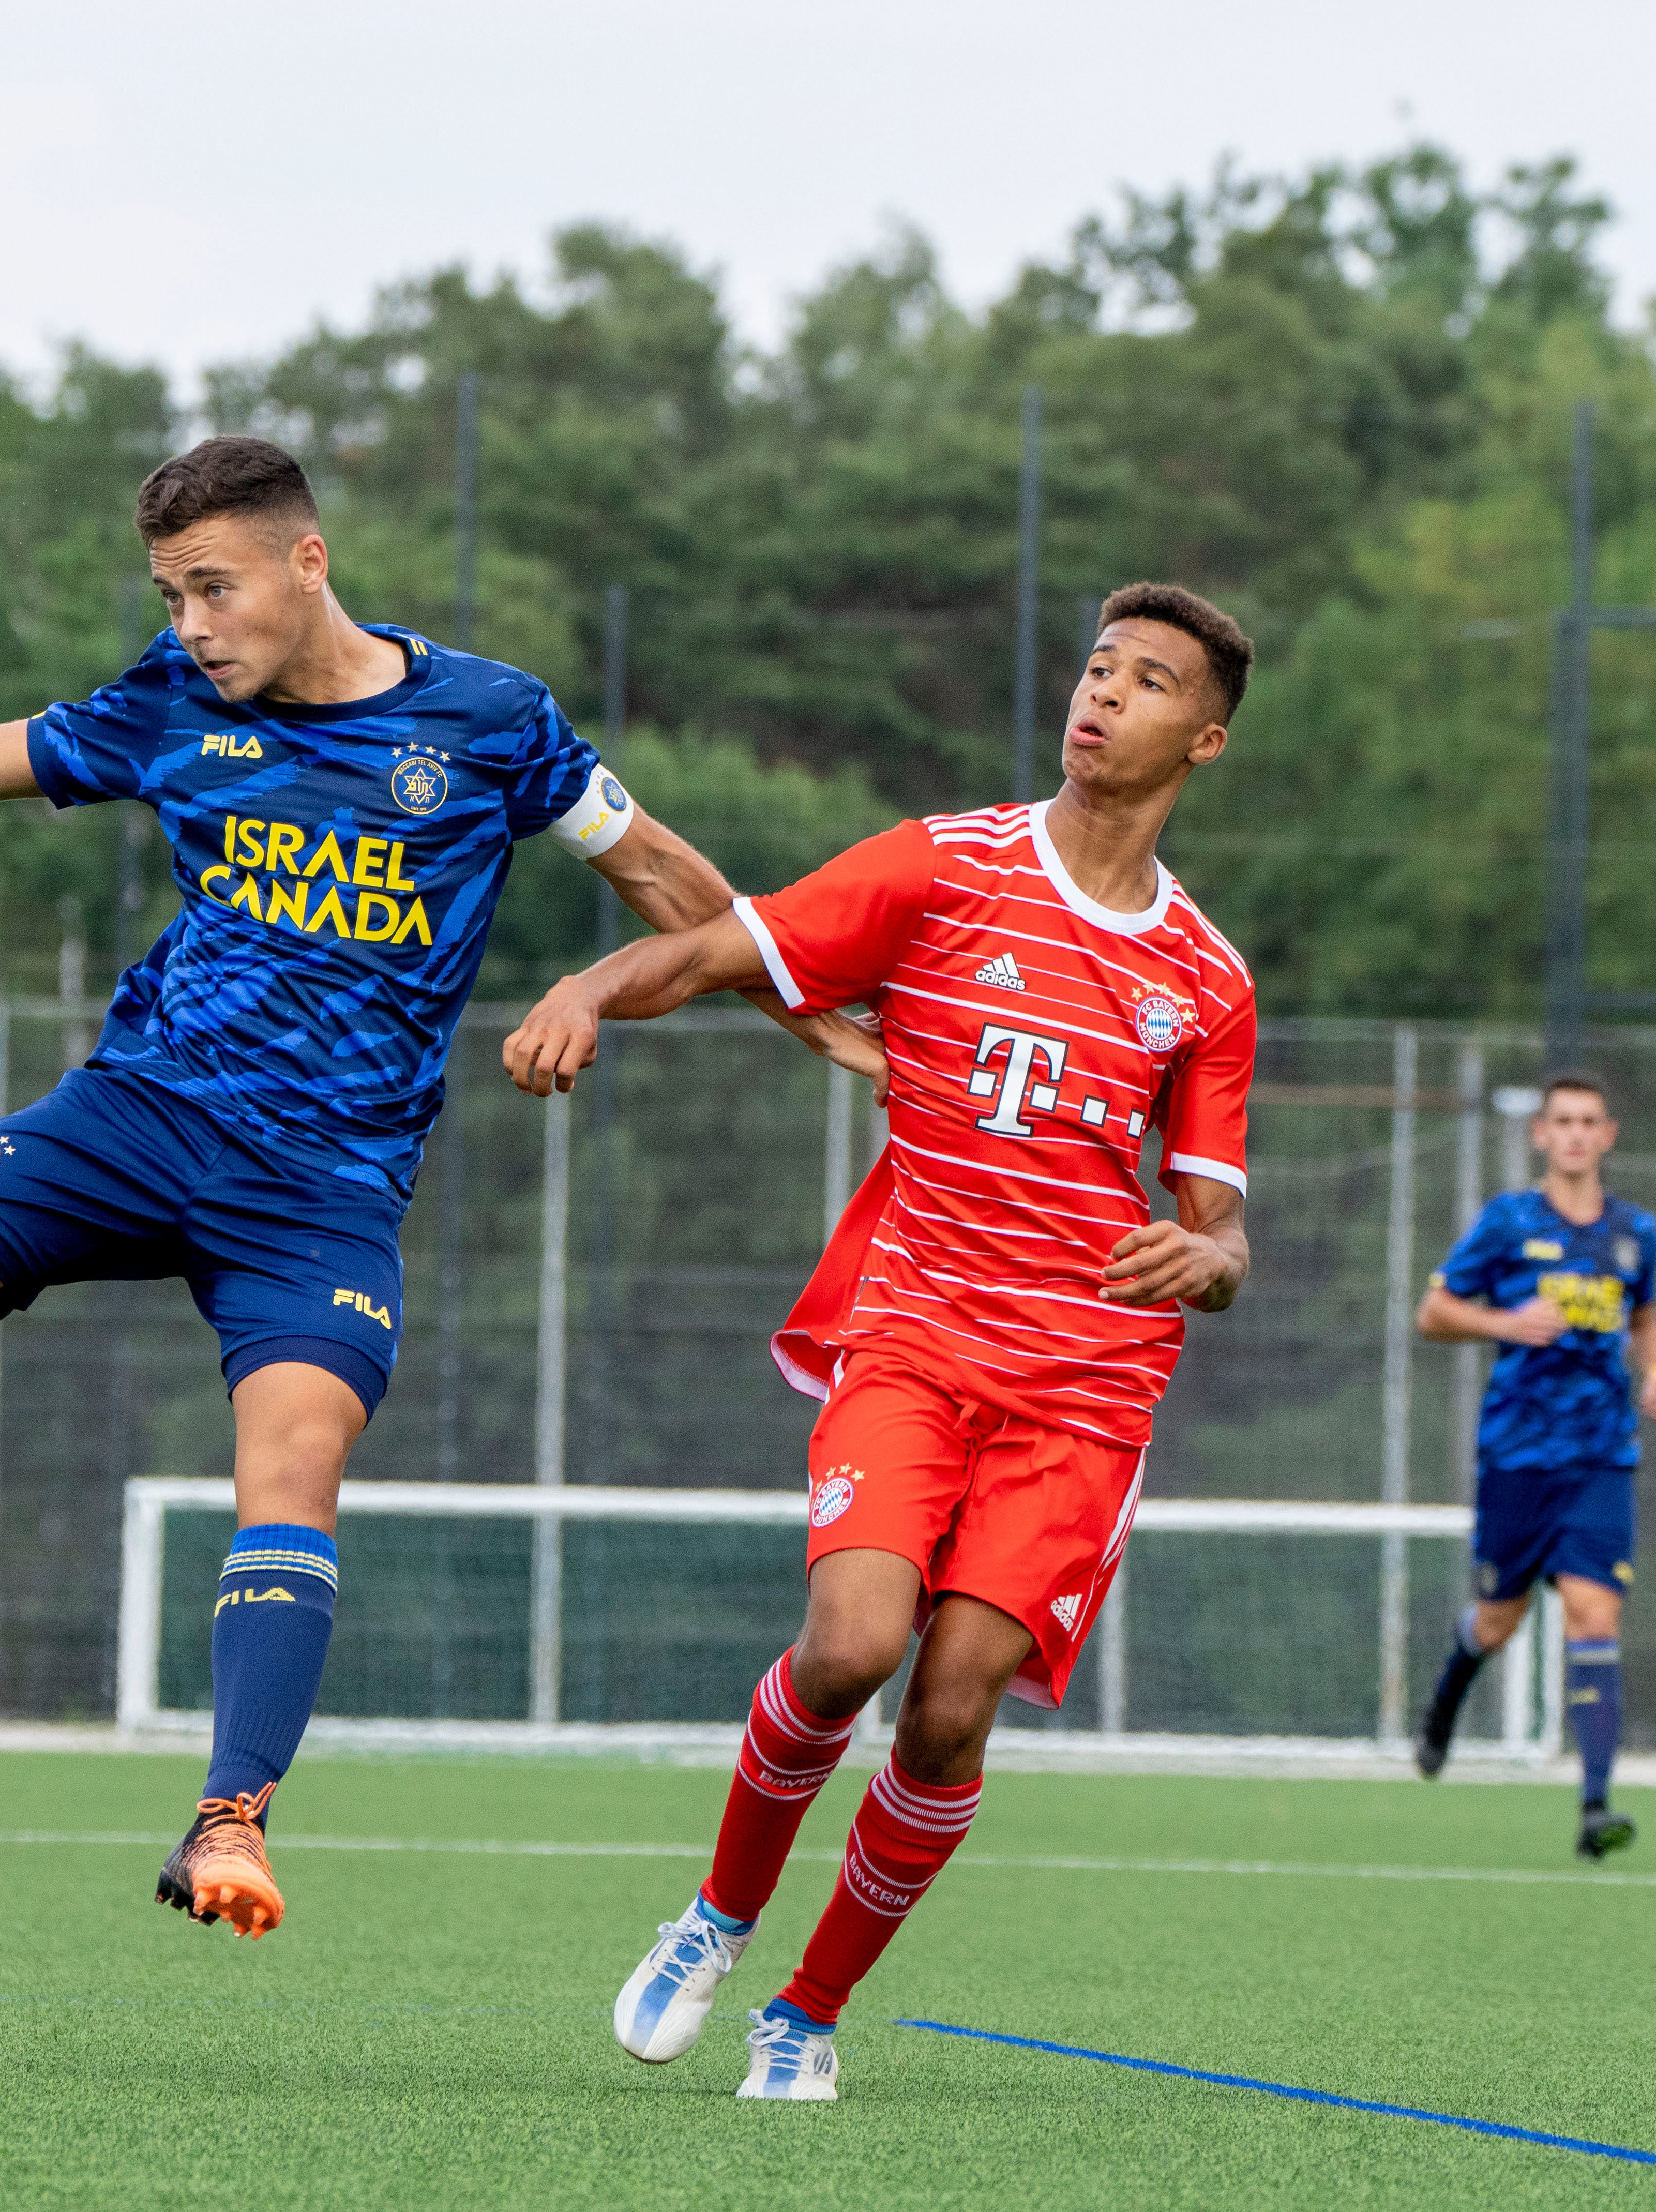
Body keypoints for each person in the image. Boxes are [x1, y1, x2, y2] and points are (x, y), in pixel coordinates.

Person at [0, 434, 875, 1936]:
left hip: (323, 1194)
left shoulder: (490, 719)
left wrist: (823, 1025)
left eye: (212, 588)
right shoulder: (168, 701)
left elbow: (668, 877)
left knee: (293, 1468)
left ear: (308, 562)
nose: (191, 623)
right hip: (136, 1118)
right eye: (170, 593)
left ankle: (230, 1816)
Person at [507, 584, 1258, 2099]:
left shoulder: (1208, 978)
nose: (1104, 694)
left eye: (1150, 680)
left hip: (1086, 1390)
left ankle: (808, 2007)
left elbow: (1220, 1230)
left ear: (1206, 737)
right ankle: (715, 1916)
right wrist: (591, 982)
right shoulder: (945, 861)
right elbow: (728, 946)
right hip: (916, 1339)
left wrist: (1212, 1252)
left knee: (952, 1699)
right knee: (851, 1643)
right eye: (1098, 666)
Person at [1411, 1073, 1656, 1858]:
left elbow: (1647, 1314)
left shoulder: (1636, 1232)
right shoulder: (1508, 1221)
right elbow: (1434, 1312)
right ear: (1541, 1134)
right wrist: (1504, 1320)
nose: (1574, 1133)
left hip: (1601, 1457)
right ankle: (1446, 1700)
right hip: (1518, 1457)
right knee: (1499, 1622)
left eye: (1589, 1121)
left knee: (1596, 1614)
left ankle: (1596, 1807)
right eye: (1561, 1120)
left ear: (1608, 1134)